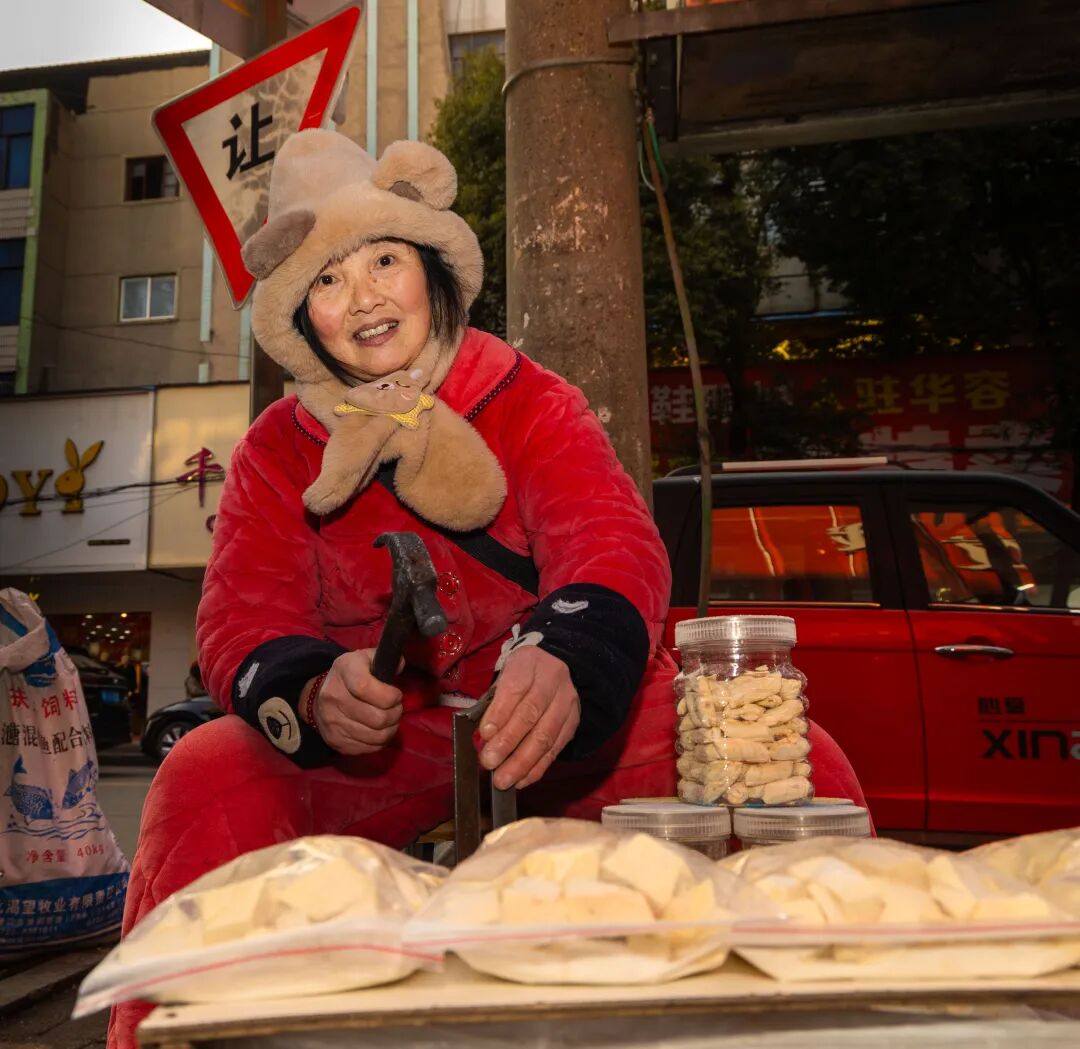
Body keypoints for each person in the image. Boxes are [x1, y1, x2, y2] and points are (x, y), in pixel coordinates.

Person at [107, 130, 867, 1047]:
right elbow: (241, 615)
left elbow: (610, 540)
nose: (365, 297)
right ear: (301, 318)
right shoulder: (275, 447)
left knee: (798, 766)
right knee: (207, 777)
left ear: (431, 268)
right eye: (327, 281)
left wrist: (569, 654)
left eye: (385, 259)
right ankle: (170, 1033)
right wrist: (311, 689)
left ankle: (826, 1019)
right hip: (393, 745)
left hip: (565, 722)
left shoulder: (529, 396)